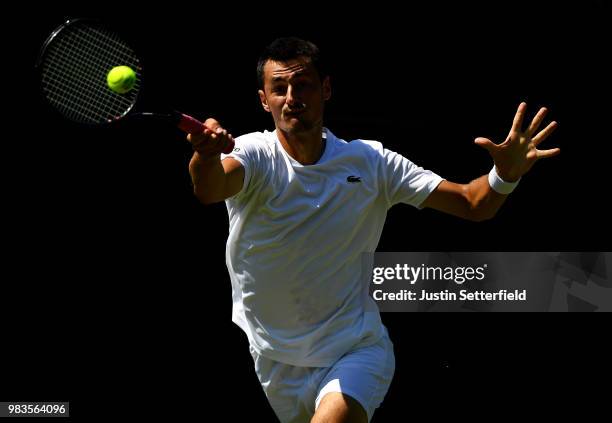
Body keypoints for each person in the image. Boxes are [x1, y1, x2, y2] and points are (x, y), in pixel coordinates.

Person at [186, 37, 559, 423]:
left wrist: (505, 174)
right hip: (274, 360)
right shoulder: (253, 155)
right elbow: (210, 188)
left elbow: (472, 203)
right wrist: (206, 154)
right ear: (264, 100)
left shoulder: (371, 163)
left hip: (355, 350)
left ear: (326, 89)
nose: (292, 97)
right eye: (279, 88)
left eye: (304, 85)